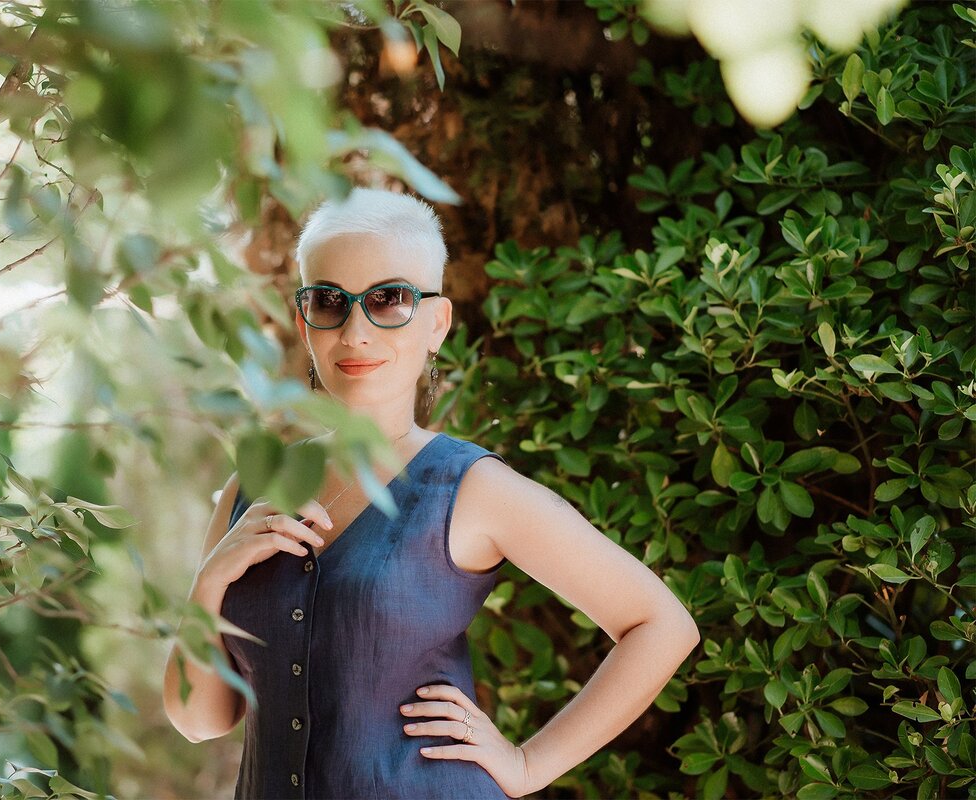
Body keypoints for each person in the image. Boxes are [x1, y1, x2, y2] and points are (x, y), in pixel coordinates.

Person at [163, 188, 701, 799]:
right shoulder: (251, 487)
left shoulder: (471, 488)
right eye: (329, 302)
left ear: (437, 324)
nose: (356, 331)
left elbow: (662, 625)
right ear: (303, 321)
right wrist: (209, 583)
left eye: (388, 300)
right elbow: (199, 719)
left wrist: (528, 764)